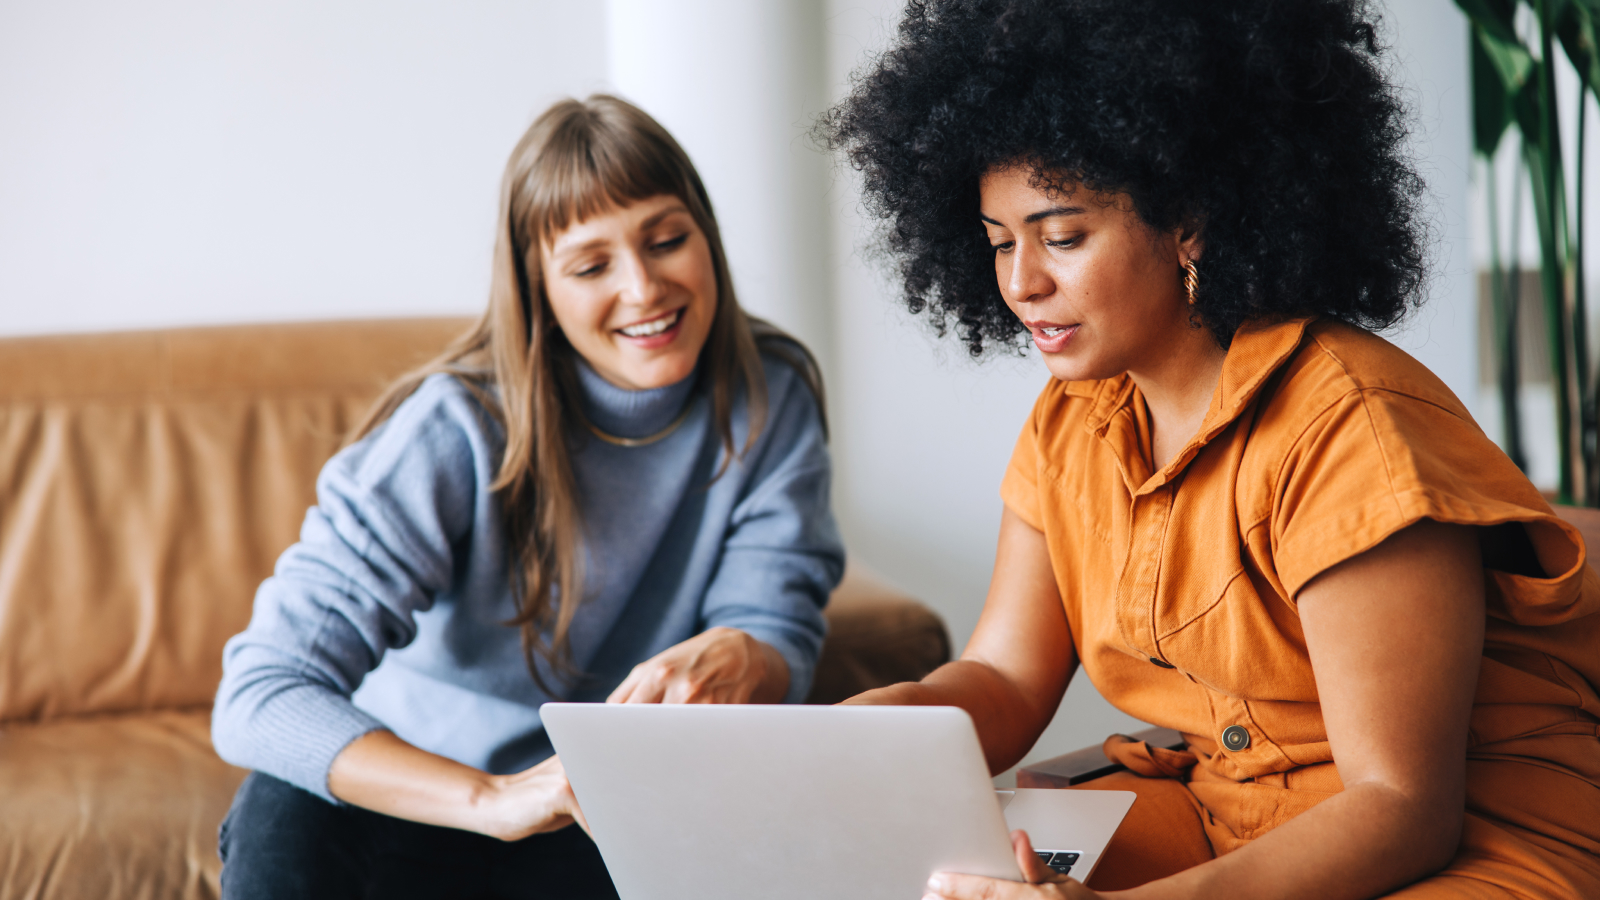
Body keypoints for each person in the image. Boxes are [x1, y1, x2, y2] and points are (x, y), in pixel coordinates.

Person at [822, 1, 1600, 898]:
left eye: (1062, 236)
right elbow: (1004, 675)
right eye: (1000, 243)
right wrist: (879, 729)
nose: (1022, 282)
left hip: (1475, 843)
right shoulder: (1070, 420)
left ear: (1188, 218)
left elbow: (1401, 806)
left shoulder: (1349, 428)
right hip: (1225, 815)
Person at [210, 94, 843, 899]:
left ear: (706, 238)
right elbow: (259, 695)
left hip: (607, 814)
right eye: (591, 266)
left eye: (667, 240)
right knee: (284, 806)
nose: (645, 288)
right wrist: (492, 799)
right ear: (538, 289)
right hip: (426, 808)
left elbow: (777, 626)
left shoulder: (770, 394)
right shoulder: (454, 427)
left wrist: (751, 653)